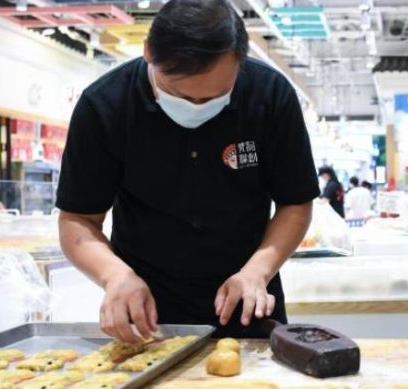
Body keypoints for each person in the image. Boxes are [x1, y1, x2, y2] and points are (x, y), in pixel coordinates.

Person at [56, 0, 318, 342]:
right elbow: (78, 220)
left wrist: (257, 271)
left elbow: (295, 203)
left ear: (240, 61)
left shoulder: (270, 96)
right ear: (149, 52)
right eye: (181, 94)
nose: (199, 107)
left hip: (249, 304)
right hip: (146, 314)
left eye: (216, 97)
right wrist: (115, 276)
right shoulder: (105, 106)